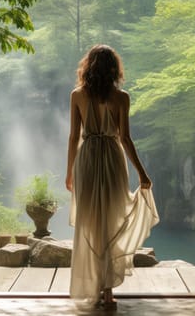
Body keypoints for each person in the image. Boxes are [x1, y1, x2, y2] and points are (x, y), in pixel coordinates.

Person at [65, 44, 159, 310]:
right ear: (114, 69)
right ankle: (107, 291)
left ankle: (93, 288)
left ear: (88, 66)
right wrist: (142, 172)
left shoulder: (77, 95)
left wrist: (70, 171)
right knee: (111, 220)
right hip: (112, 159)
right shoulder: (122, 97)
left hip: (87, 160)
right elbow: (125, 138)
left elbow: (73, 136)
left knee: (91, 223)